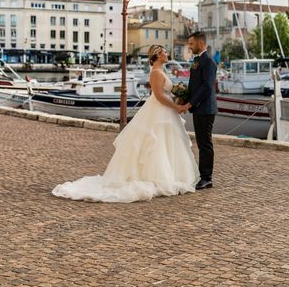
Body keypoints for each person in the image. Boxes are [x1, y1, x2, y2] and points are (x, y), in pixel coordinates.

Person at [52, 44, 199, 202]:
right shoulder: (156, 72)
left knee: (165, 142)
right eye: (164, 52)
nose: (166, 54)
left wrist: (179, 97)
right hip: (160, 110)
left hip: (164, 111)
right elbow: (158, 96)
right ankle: (157, 176)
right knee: (156, 142)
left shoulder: (160, 71)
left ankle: (169, 174)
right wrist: (176, 106)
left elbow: (165, 93)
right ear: (157, 55)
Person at [180, 32, 217, 190]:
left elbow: (207, 87)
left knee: (205, 144)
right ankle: (204, 176)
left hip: (205, 108)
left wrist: (190, 103)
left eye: (191, 44)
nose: (189, 46)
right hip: (199, 108)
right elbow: (194, 84)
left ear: (201, 43)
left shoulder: (208, 62)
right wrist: (184, 98)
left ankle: (206, 178)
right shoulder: (197, 60)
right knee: (201, 143)